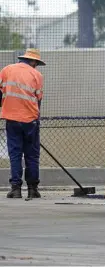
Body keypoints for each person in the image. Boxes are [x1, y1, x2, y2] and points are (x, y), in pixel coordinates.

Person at [0, 48, 45, 199]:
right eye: (36, 63)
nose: (36, 66)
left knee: (15, 154)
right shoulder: (37, 75)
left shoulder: (6, 70)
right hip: (30, 120)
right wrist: (36, 119)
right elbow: (38, 99)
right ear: (32, 61)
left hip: (11, 119)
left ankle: (15, 189)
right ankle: (33, 189)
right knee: (32, 155)